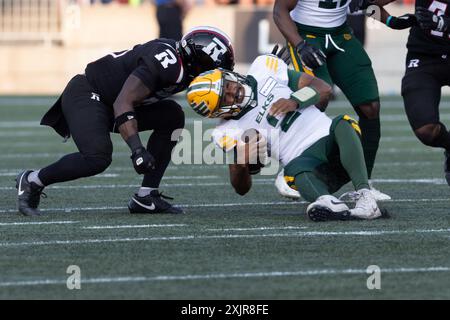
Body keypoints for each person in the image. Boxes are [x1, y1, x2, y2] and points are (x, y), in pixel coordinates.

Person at [15, 26, 235, 216]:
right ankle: (33, 180)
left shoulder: (184, 68)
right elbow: (124, 102)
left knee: (172, 115)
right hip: (91, 93)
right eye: (215, 70)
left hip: (113, 102)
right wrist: (137, 150)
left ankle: (146, 197)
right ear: (199, 62)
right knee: (97, 156)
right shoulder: (167, 62)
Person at [186, 49, 383, 221]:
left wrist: (295, 100)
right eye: (225, 97)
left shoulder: (263, 70)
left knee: (343, 122)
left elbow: (323, 88)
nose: (233, 91)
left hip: (334, 142)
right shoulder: (226, 131)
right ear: (218, 113)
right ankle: (327, 203)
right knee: (293, 171)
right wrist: (240, 163)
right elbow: (241, 189)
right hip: (311, 166)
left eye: (227, 85)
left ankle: (365, 195)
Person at [272, 0, 391, 201]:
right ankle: (292, 170)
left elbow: (368, 3)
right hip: (306, 37)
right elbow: (280, 10)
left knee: (370, 107)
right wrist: (300, 45)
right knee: (317, 100)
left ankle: (364, 186)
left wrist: (392, 20)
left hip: (341, 36)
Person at [367, 0, 450, 184]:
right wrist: (391, 21)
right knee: (425, 130)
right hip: (425, 58)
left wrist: (444, 23)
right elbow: (366, 5)